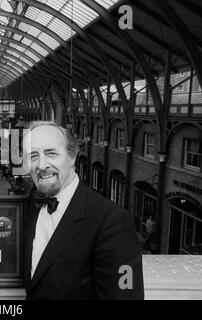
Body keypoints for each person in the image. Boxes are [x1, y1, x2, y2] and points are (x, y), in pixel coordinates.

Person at [22, 121, 144, 300]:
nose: (41, 165)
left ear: (72, 157)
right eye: (33, 156)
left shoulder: (112, 221)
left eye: (51, 153)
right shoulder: (29, 207)